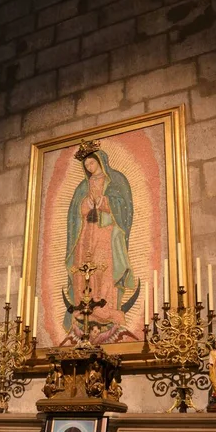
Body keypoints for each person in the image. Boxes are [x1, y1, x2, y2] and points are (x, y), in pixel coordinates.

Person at [63, 145, 139, 344]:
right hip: (86, 233)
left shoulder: (114, 181)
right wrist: (85, 205)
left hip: (106, 233)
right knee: (84, 268)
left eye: (91, 162)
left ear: (100, 161)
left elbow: (123, 206)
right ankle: (83, 307)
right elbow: (74, 213)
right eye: (86, 164)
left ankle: (105, 309)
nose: (89, 167)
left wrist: (105, 202)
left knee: (104, 268)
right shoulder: (82, 187)